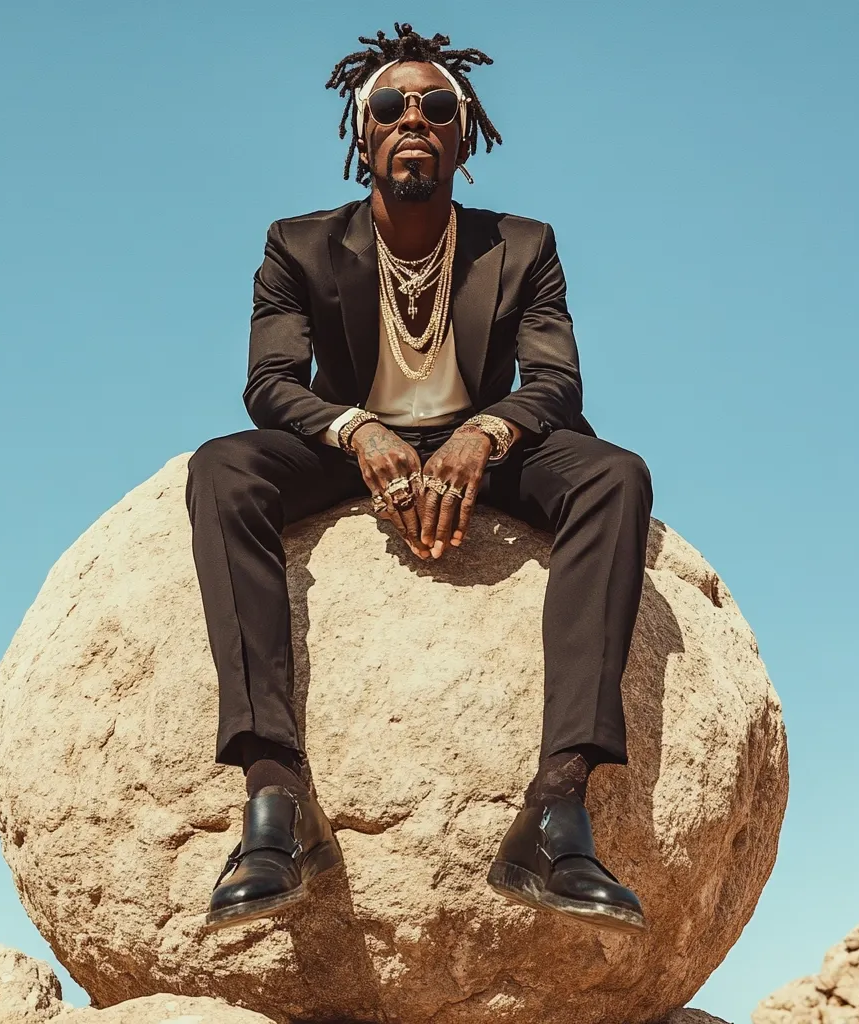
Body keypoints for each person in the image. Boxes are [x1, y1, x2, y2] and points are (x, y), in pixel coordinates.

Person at [185, 22, 652, 935]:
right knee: (223, 470)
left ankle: (556, 813)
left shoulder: (522, 244)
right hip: (341, 444)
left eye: (438, 106)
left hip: (483, 441)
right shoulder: (298, 245)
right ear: (363, 135)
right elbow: (270, 382)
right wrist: (356, 430)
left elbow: (554, 382)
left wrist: (485, 431)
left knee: (617, 477)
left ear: (463, 134)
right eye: (390, 106)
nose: (414, 117)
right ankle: (276, 801)